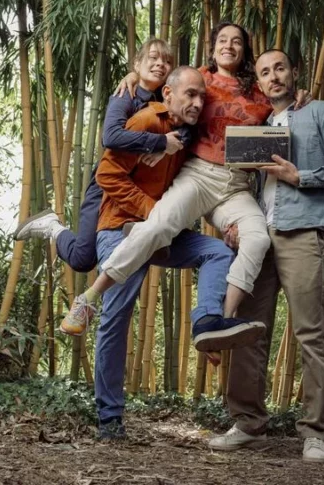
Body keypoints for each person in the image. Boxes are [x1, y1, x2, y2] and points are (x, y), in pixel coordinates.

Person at [55, 22, 308, 338]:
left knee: (258, 240)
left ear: (246, 50)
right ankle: (90, 297)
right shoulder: (200, 77)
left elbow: (281, 103)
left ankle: (219, 322)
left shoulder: (257, 89)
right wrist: (135, 77)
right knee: (159, 226)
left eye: (237, 42)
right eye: (223, 40)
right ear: (213, 45)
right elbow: (166, 91)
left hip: (236, 186)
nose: (229, 45)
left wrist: (299, 94)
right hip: (199, 175)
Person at [88, 66, 264, 439]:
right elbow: (106, 174)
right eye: (190, 95)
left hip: (163, 234)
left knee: (217, 252)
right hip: (121, 227)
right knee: (116, 318)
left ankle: (208, 322)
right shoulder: (147, 120)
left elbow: (207, 186)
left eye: (203, 97)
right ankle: (109, 418)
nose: (198, 103)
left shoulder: (190, 132)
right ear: (168, 94)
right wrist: (152, 212)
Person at [208, 49, 324, 462]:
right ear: (257, 82)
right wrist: (232, 223)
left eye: (280, 68)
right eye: (264, 72)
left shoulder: (320, 112)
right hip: (258, 235)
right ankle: (247, 424)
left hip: (305, 232)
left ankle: (314, 432)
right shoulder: (253, 122)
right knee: (247, 330)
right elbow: (231, 183)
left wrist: (302, 176)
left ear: (294, 72)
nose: (273, 77)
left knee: (311, 333)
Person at [14, 38, 190, 274]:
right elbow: (111, 137)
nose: (161, 64)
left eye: (167, 61)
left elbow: (191, 123)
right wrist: (159, 143)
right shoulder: (124, 95)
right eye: (154, 57)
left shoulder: (167, 98)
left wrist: (174, 143)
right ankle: (52, 226)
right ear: (137, 64)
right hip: (107, 183)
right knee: (83, 259)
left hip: (137, 190)